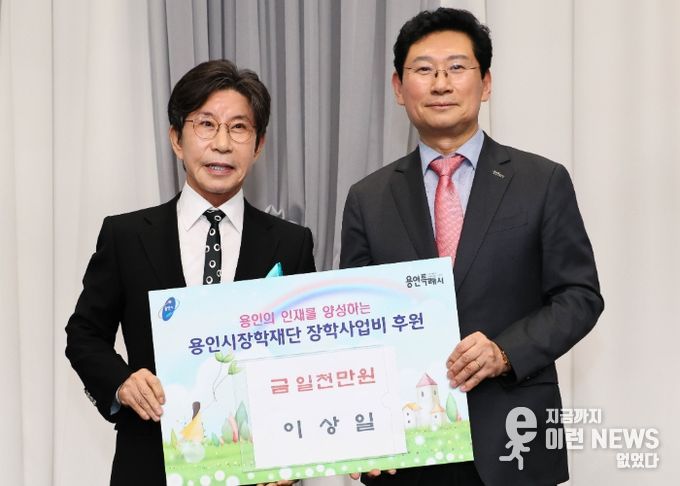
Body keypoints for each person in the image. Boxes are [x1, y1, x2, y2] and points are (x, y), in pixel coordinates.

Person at [341, 8, 603, 486]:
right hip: (408, 448)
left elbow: (579, 297)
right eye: (424, 69)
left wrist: (505, 351)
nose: (441, 83)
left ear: (486, 83)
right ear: (399, 88)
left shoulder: (541, 181)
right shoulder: (367, 198)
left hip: (513, 439)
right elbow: (356, 325)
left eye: (457, 67)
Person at [65, 59, 315, 486]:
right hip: (150, 461)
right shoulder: (126, 235)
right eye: (206, 124)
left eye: (239, 128)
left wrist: (293, 453)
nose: (222, 144)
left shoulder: (291, 244)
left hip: (258, 465)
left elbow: (306, 354)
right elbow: (84, 334)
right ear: (176, 139)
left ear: (258, 145)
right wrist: (122, 382)